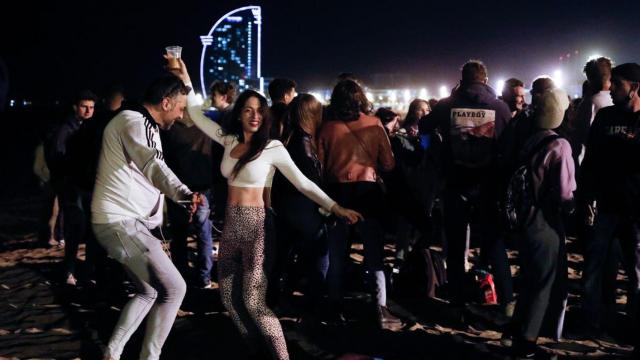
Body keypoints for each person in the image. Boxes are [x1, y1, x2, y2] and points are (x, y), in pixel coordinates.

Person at [171, 57, 362, 360]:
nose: (254, 115)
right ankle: (256, 348)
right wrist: (185, 77)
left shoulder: (273, 148)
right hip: (231, 225)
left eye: (259, 110)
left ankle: (281, 357)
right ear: (239, 114)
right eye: (248, 109)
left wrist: (334, 206)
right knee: (229, 298)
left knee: (254, 301)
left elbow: (302, 183)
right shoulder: (229, 139)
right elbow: (195, 113)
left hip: (257, 225)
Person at [91, 74, 199, 360]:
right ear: (165, 103)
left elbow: (149, 169)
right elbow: (153, 165)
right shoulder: (133, 122)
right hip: (119, 223)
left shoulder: (142, 123)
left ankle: (112, 353)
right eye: (179, 107)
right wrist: (184, 194)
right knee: (175, 288)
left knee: (149, 291)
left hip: (122, 223)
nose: (181, 113)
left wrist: (179, 69)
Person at [419, 60, 514, 315]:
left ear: (461, 79)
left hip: (455, 183)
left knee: (457, 244)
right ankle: (507, 299)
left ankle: (458, 300)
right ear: (485, 79)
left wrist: (436, 151)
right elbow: (509, 144)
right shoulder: (499, 106)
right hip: (488, 185)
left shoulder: (448, 105)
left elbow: (423, 128)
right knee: (493, 243)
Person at [318, 79, 402, 330]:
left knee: (336, 253)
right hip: (368, 193)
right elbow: (388, 164)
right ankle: (380, 308)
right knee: (374, 253)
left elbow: (319, 167)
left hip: (337, 193)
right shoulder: (375, 125)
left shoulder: (327, 128)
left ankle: (334, 306)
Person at [502, 88, 575, 358]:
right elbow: (565, 192)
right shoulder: (560, 145)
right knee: (543, 282)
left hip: (523, 218)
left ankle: (515, 330)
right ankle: (527, 342)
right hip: (545, 221)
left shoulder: (532, 140)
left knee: (531, 277)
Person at [579, 63, 640, 354]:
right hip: (606, 205)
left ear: (635, 87)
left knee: (636, 272)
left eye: (617, 84)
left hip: (636, 209)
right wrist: (586, 197)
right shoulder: (604, 117)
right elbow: (590, 160)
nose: (611, 88)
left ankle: (633, 323)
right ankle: (591, 320)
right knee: (594, 266)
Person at [45, 89, 99, 286]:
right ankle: (69, 271)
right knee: (75, 229)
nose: (88, 110)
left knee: (89, 230)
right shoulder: (65, 129)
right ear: (75, 107)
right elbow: (56, 158)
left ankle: (86, 270)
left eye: (91, 107)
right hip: (72, 186)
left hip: (86, 185)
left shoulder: (88, 127)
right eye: (84, 106)